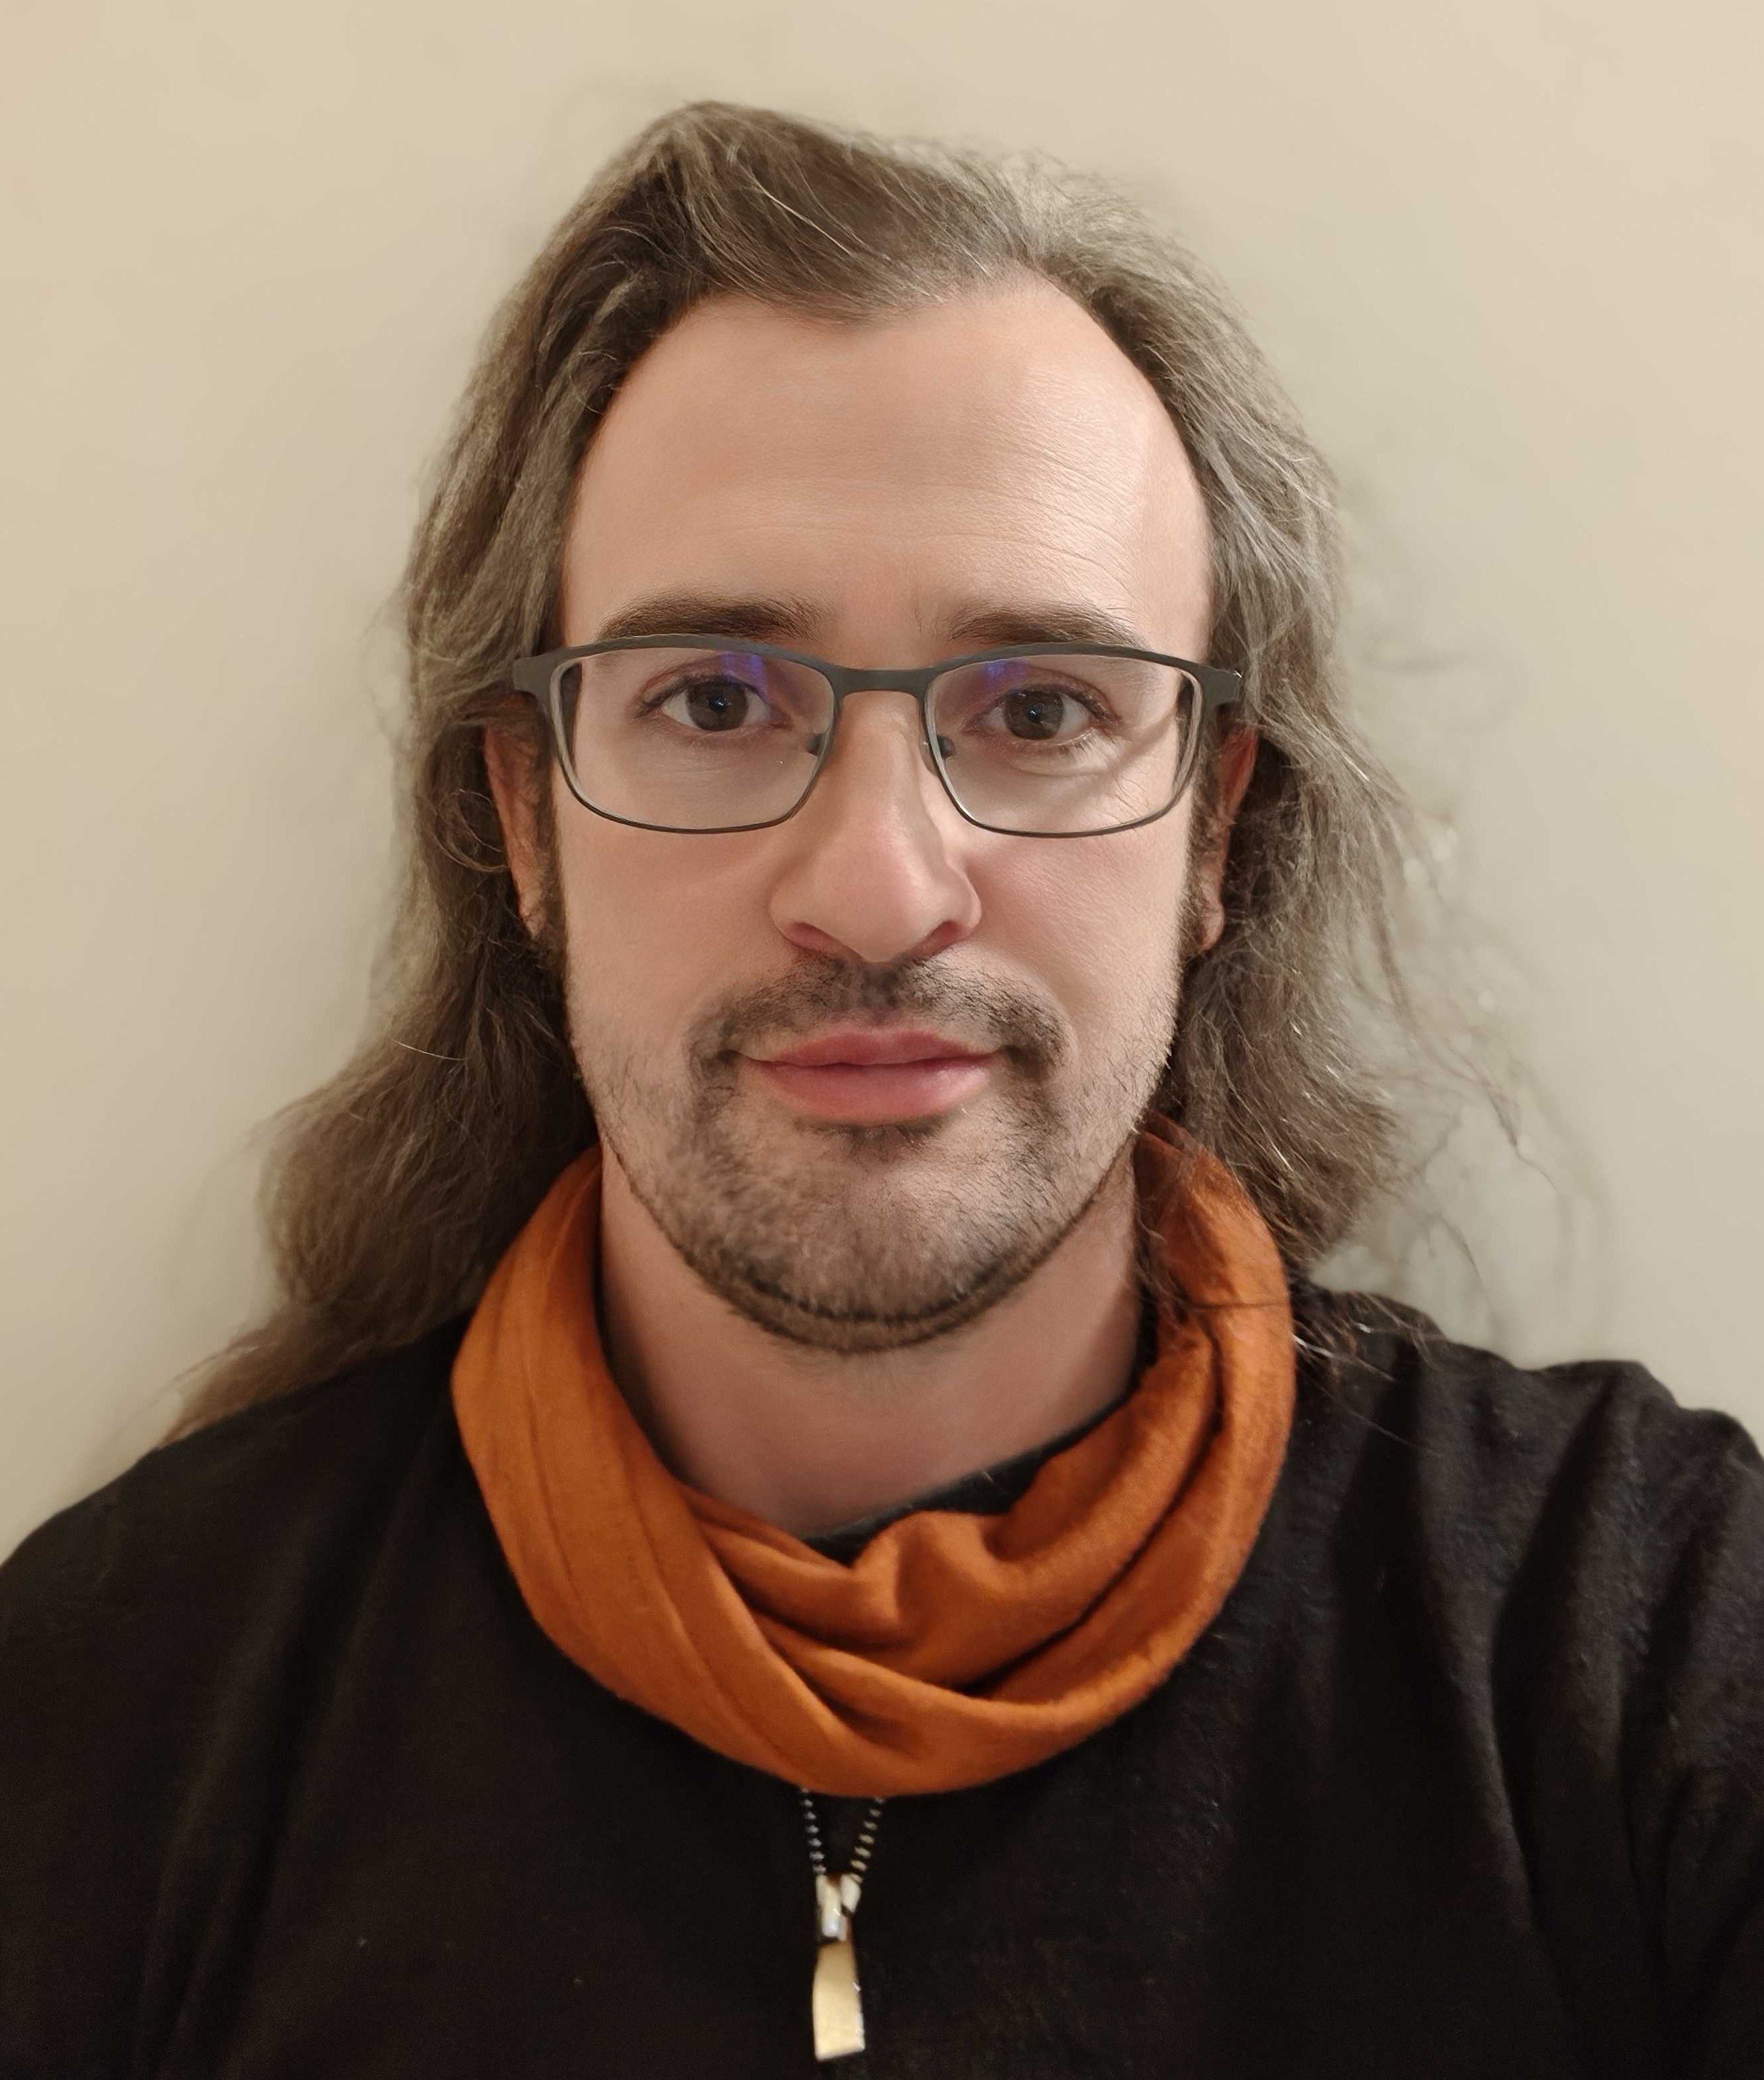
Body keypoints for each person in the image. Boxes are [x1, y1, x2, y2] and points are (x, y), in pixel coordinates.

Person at [1, 100, 1759, 2079]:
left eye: (1042, 710)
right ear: (522, 816)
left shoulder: (1645, 1644)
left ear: (1212, 832)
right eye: (712, 700)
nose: (878, 887)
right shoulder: (122, 1709)